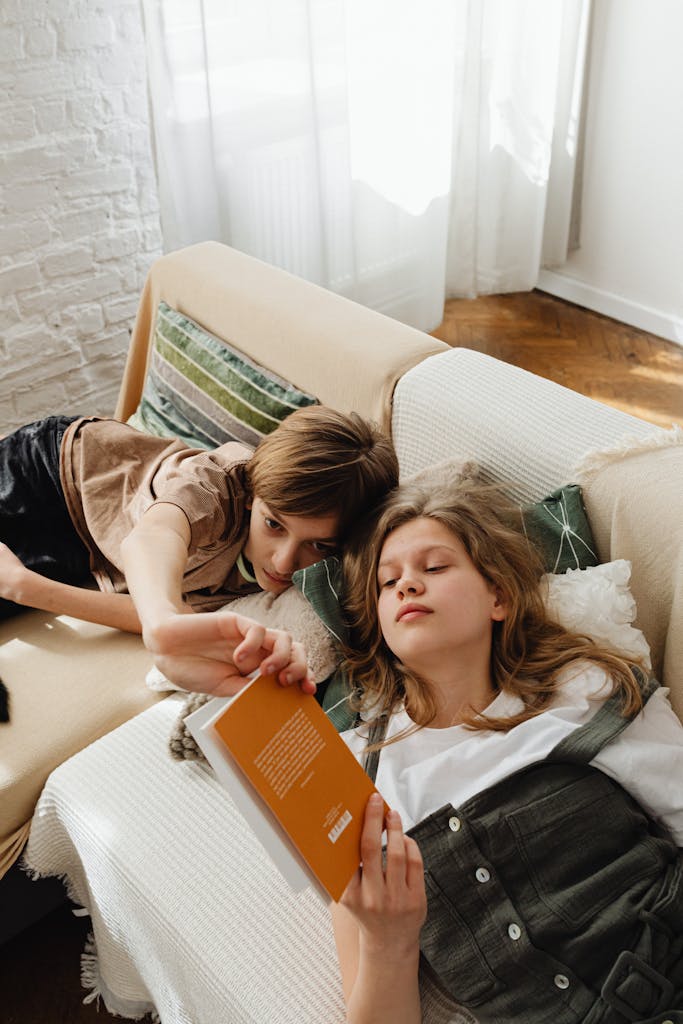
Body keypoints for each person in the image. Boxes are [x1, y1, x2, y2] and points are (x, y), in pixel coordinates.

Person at [331, 465, 683, 1024]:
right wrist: (388, 943)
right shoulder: (354, 779)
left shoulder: (587, 689)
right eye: (387, 581)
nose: (406, 585)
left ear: (497, 595)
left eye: (434, 566)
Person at [0, 406, 398, 694]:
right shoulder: (219, 484)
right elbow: (155, 536)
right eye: (273, 524)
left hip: (87, 552)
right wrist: (163, 626)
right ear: (250, 496)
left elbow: (171, 614)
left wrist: (26, 587)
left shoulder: (322, 575)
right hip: (54, 471)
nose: (283, 562)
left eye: (319, 545)